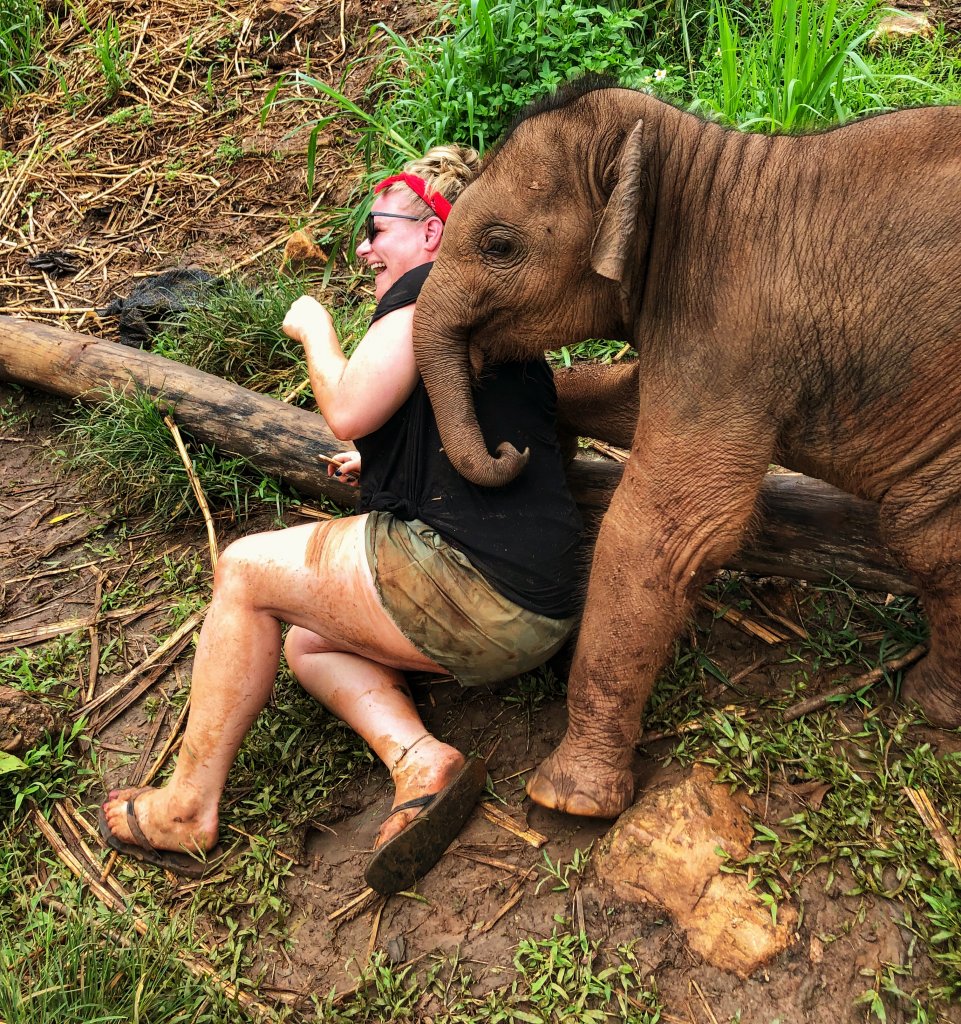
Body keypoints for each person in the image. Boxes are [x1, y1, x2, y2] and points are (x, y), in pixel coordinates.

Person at [99, 146, 583, 893]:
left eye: (377, 226)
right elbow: (463, 424)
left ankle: (186, 806)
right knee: (307, 645)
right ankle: (418, 760)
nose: (362, 247)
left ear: (433, 233)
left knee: (245, 569)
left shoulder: (427, 294)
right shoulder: (495, 318)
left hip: (469, 586)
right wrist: (392, 460)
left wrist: (315, 331)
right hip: (533, 613)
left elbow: (349, 409)